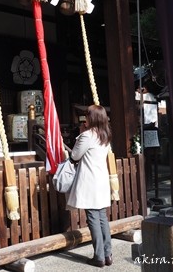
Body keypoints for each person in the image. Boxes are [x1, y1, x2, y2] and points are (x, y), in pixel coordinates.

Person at [67, 105, 113, 268]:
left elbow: (75, 155)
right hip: (101, 179)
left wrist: (80, 134)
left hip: (90, 181)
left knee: (93, 218)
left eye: (86, 116)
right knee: (102, 218)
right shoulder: (105, 135)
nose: (84, 119)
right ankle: (107, 254)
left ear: (91, 118)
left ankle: (99, 256)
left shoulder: (87, 136)